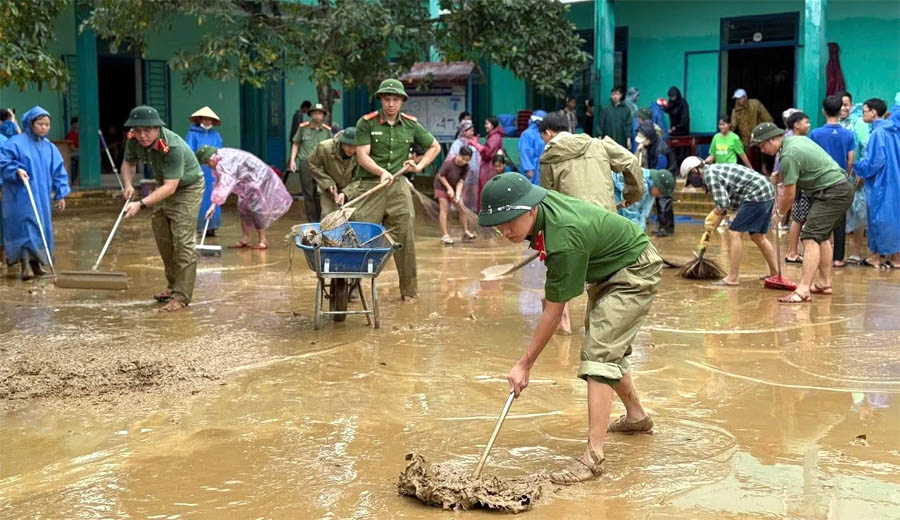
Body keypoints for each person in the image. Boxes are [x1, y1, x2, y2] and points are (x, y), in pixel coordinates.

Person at [478, 172, 662, 485]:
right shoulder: (541, 214)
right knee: (605, 346)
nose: (505, 230)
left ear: (532, 209)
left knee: (599, 355)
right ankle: (637, 416)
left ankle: (593, 457)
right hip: (606, 267)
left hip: (633, 268)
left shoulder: (563, 238)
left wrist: (524, 364)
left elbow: (554, 310)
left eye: (511, 221)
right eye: (499, 223)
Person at [539, 111, 644, 335]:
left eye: (543, 138)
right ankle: (601, 333)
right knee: (606, 282)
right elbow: (631, 161)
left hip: (572, 228)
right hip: (607, 225)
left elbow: (548, 202)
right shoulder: (598, 144)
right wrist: (631, 195)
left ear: (548, 133)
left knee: (560, 273)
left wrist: (545, 241)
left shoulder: (549, 157)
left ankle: (563, 324)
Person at [351, 78, 441, 302]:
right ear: (381, 100)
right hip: (371, 184)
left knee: (405, 235)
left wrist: (418, 166)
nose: (391, 104)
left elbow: (434, 146)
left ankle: (409, 291)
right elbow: (362, 155)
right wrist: (381, 171)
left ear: (402, 101)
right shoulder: (367, 123)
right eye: (387, 99)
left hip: (398, 186)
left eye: (395, 100)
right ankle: (351, 286)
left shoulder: (411, 125)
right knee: (359, 235)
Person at [753, 122, 854, 303]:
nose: (762, 150)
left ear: (774, 139)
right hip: (839, 188)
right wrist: (781, 176)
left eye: (762, 145)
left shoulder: (788, 154)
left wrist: (779, 213)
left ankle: (803, 290)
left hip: (833, 191)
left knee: (810, 237)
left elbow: (789, 194)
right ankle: (824, 283)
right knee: (821, 237)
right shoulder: (796, 141)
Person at [121, 105, 205, 312]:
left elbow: (171, 187)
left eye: (147, 130)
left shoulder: (172, 146)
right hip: (164, 185)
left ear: (158, 128)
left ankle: (182, 295)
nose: (142, 135)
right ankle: (173, 285)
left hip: (187, 188)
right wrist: (128, 185)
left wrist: (140, 204)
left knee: (183, 241)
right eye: (138, 130)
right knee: (163, 236)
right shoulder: (133, 139)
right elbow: (128, 163)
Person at [681, 156, 779, 286]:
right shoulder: (713, 172)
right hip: (765, 191)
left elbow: (722, 204)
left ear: (695, 171)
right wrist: (711, 229)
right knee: (757, 236)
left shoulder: (709, 175)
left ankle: (733, 277)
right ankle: (774, 274)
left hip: (756, 193)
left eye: (690, 179)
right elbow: (725, 207)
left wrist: (712, 215)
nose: (693, 182)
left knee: (734, 232)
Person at [0, 106, 70, 280]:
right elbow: (3, 161)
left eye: (47, 125)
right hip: (19, 195)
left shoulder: (49, 147)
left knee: (40, 227)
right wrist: (16, 170)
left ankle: (37, 264)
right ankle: (25, 265)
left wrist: (60, 194)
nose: (44, 128)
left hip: (42, 196)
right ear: (30, 124)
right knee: (25, 226)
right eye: (40, 124)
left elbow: (58, 171)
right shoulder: (16, 142)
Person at [195, 146, 292, 250]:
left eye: (206, 163)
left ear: (210, 159)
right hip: (247, 180)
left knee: (256, 209)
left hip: (259, 178)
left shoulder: (225, 163)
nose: (208, 166)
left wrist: (214, 205)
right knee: (243, 207)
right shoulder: (220, 158)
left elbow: (225, 184)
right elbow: (219, 182)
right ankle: (246, 238)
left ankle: (262, 240)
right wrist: (213, 203)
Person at [808, 95, 857, 268]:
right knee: (840, 221)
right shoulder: (849, 134)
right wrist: (846, 175)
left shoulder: (815, 133)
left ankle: (821, 256)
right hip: (841, 182)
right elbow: (851, 159)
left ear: (823, 111)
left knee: (819, 219)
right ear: (840, 110)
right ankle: (838, 258)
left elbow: (811, 158)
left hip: (820, 182)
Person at [855, 98, 900, 268]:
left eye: (864, 110)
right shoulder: (894, 131)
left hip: (882, 182)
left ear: (874, 112)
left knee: (878, 218)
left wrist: (857, 167)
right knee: (894, 218)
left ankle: (875, 256)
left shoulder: (878, 133)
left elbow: (875, 161)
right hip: (895, 180)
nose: (863, 114)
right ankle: (896, 257)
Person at [288, 103, 332, 222]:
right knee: (308, 194)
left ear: (323, 116)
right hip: (306, 163)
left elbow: (331, 148)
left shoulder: (327, 131)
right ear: (310, 115)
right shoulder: (303, 128)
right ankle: (312, 222)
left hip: (321, 165)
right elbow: (296, 143)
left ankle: (320, 220)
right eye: (315, 113)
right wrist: (292, 160)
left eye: (320, 113)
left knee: (320, 192)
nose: (317, 116)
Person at [185, 106, 224, 237]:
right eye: (205, 119)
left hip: (213, 171)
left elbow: (220, 152)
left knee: (213, 197)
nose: (207, 121)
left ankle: (212, 227)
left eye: (209, 119)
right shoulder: (192, 134)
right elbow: (189, 152)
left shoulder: (216, 135)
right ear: (200, 119)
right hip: (199, 170)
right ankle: (198, 227)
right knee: (198, 197)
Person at [307, 127, 359, 216]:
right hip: (328, 190)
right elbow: (312, 164)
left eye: (355, 146)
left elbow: (360, 178)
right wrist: (327, 182)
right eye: (349, 145)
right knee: (328, 217)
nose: (352, 149)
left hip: (351, 191)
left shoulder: (362, 152)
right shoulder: (325, 147)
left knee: (351, 219)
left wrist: (346, 193)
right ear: (342, 142)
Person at [781, 111, 812, 264]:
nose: (809, 125)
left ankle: (794, 251)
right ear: (796, 125)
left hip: (802, 184)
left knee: (799, 218)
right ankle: (792, 252)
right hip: (799, 185)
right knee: (798, 218)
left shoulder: (803, 140)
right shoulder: (792, 142)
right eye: (806, 122)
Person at [433, 147, 475, 245]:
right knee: (444, 208)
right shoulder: (449, 163)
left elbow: (461, 181)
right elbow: (441, 176)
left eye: (467, 160)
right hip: (441, 185)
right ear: (458, 155)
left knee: (461, 208)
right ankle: (445, 235)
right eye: (462, 158)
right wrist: (449, 189)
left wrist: (458, 195)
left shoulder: (466, 167)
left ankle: (465, 231)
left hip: (454, 186)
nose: (463, 161)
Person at [731, 89, 773, 169]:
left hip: (759, 135)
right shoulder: (736, 111)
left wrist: (759, 130)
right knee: (747, 158)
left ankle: (764, 169)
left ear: (745, 97)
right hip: (745, 139)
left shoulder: (755, 104)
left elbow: (768, 119)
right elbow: (733, 125)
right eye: (736, 99)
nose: (738, 101)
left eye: (740, 98)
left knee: (763, 152)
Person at [469, 115, 504, 209]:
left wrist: (476, 144)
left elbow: (487, 153)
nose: (485, 125)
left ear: (492, 125)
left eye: (487, 123)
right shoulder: (493, 136)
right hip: (488, 168)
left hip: (489, 169)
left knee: (486, 192)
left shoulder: (495, 137)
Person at [449, 120, 480, 210]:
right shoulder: (456, 144)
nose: (472, 133)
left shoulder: (473, 143)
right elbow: (453, 159)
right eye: (470, 131)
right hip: (462, 174)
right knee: (462, 193)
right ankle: (460, 212)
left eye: (472, 131)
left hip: (474, 174)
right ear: (463, 131)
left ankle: (472, 212)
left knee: (473, 193)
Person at [518, 110, 547, 186]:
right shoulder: (527, 134)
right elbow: (525, 151)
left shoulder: (541, 133)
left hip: (540, 167)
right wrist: (528, 168)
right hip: (532, 168)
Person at [64, 117, 80, 184]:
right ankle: (76, 180)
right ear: (73, 124)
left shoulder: (80, 134)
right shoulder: (71, 134)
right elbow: (71, 147)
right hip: (72, 154)